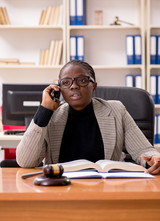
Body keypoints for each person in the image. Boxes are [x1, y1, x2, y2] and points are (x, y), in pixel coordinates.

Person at [16, 60, 160, 174]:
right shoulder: (51, 116)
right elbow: (25, 161)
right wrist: (44, 110)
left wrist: (153, 159)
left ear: (94, 86)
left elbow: (143, 150)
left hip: (107, 188)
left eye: (82, 80)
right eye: (66, 82)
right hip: (60, 187)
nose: (73, 86)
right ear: (59, 89)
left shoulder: (117, 110)